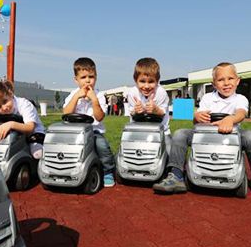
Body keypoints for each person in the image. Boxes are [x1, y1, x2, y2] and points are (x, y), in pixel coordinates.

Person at [153, 62, 251, 196]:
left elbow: (241, 113)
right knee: (180, 134)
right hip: (206, 134)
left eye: (230, 78)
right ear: (214, 84)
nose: (226, 83)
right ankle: (176, 175)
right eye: (221, 80)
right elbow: (197, 121)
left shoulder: (240, 99)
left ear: (238, 81)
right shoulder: (208, 98)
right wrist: (197, 116)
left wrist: (230, 120)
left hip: (232, 135)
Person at [63, 57, 116, 187]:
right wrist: (76, 97)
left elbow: (99, 117)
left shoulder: (99, 95)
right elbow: (66, 113)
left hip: (94, 131)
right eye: (83, 77)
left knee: (102, 145)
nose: (88, 81)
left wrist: (94, 100)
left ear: (96, 78)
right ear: (76, 80)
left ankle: (108, 171)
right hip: (75, 132)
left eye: (91, 77)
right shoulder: (73, 94)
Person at [0, 80, 45, 159]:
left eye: (5, 101)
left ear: (10, 94)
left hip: (34, 133)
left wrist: (11, 124)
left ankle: (40, 167)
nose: (3, 108)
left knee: (37, 154)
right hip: (16, 134)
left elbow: (30, 128)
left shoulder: (24, 105)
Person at [126, 57, 171, 152]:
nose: (146, 86)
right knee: (127, 147)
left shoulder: (161, 92)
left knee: (169, 149)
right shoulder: (132, 93)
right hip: (138, 130)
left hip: (161, 131)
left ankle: (173, 166)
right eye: (142, 81)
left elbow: (162, 113)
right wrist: (135, 111)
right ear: (135, 80)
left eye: (151, 82)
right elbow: (131, 113)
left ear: (157, 81)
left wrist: (156, 110)